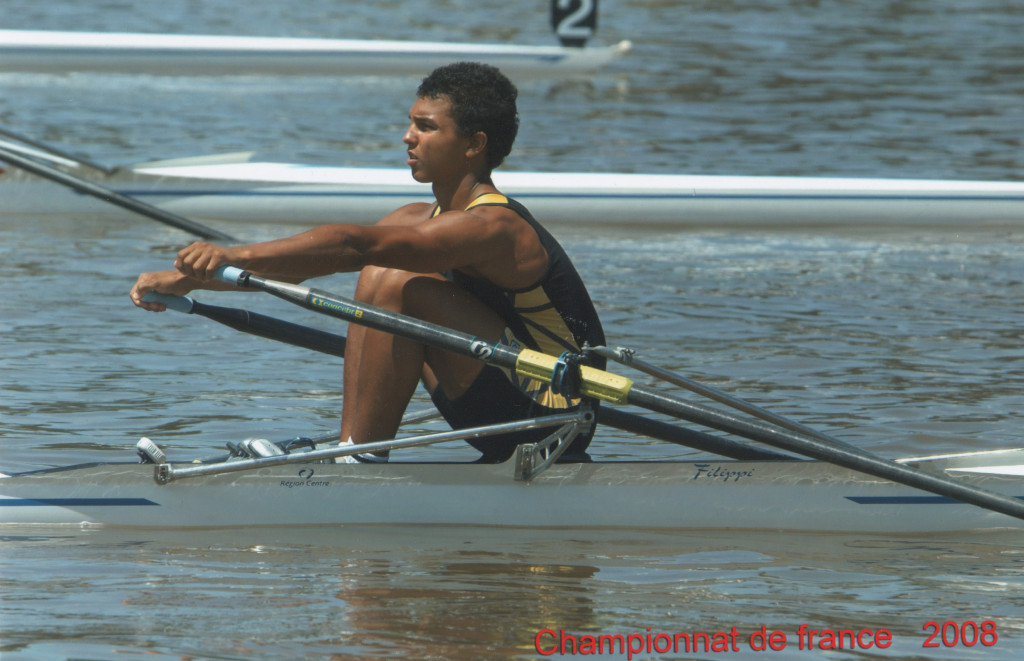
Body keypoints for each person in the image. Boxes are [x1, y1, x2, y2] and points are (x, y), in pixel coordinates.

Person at [130, 62, 605, 463]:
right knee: (387, 274)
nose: (408, 136)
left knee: (392, 279)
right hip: (495, 401)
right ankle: (355, 451)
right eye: (411, 123)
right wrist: (189, 282)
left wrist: (234, 253)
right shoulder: (418, 220)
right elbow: (303, 268)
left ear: (474, 144)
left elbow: (354, 248)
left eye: (427, 126)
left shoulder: (496, 228)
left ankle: (357, 457)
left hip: (557, 411)